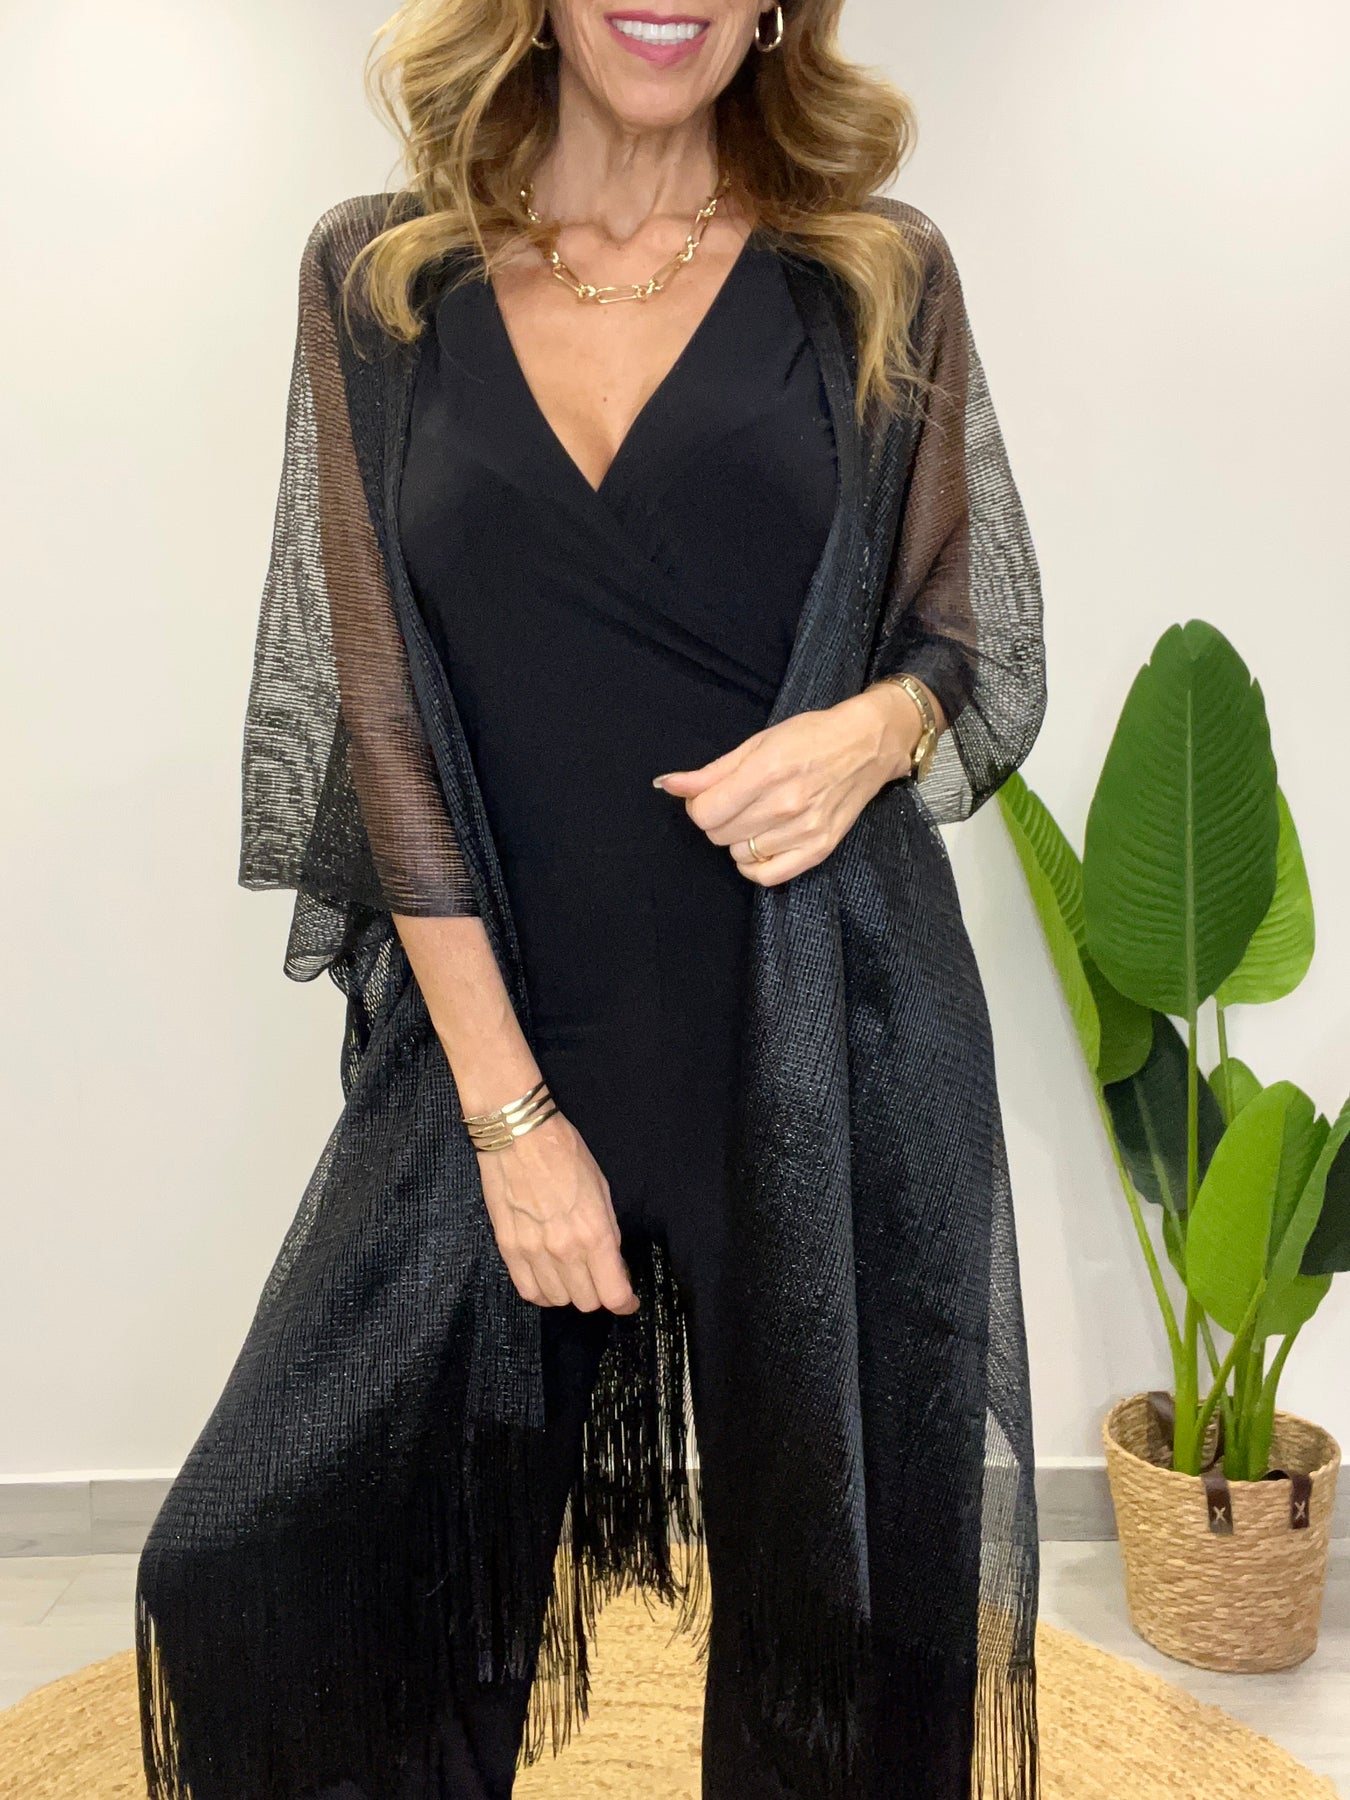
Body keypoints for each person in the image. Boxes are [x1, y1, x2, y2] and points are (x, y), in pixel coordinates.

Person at [135, 3, 1048, 1797]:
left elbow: (964, 636)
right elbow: (379, 718)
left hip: (827, 1024)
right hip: (507, 1027)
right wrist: (507, 1115)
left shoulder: (873, 272)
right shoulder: (379, 279)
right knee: (269, 1568)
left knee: (843, 1631)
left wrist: (870, 731)